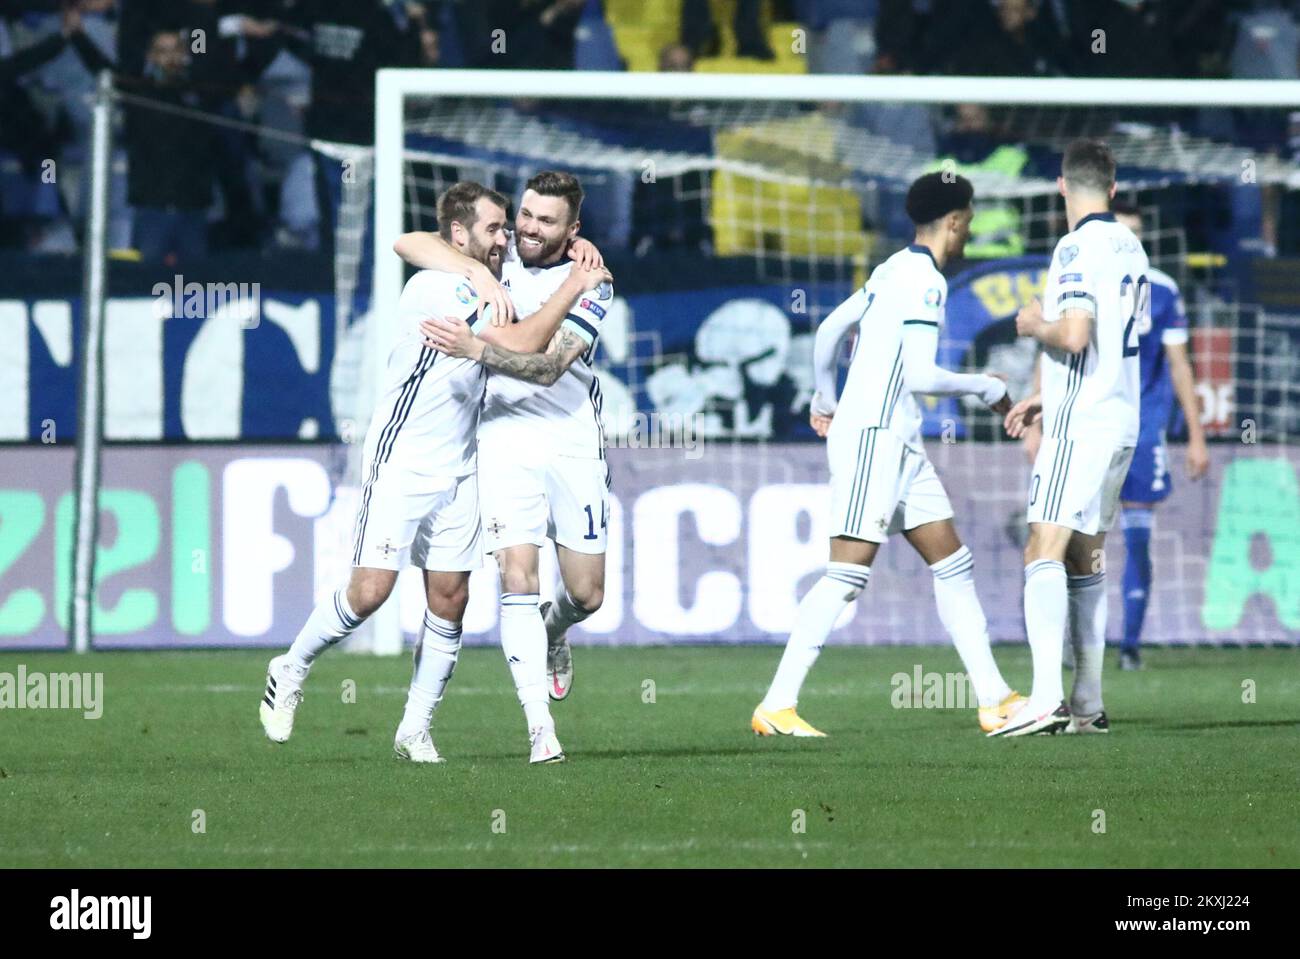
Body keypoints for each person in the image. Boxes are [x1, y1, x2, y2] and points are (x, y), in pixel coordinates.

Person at [259, 181, 609, 765]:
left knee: (451, 598)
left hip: (467, 462)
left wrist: (529, 267)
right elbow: (517, 337)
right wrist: (555, 281)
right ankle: (290, 666)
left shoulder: (499, 278)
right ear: (460, 236)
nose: (507, 237)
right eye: (497, 227)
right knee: (370, 592)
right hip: (403, 459)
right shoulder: (437, 289)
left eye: (513, 226)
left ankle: (414, 729)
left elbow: (428, 245)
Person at [751, 171, 1026, 738]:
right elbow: (923, 374)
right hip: (875, 439)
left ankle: (995, 700)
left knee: (954, 564)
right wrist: (986, 387)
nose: (969, 232)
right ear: (954, 221)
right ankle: (776, 706)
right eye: (969, 222)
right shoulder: (926, 280)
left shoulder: (889, 268)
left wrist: (825, 395)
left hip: (898, 441)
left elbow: (830, 328)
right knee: (847, 575)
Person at [394, 172, 613, 762]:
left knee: (588, 594)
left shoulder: (594, 282)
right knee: (517, 577)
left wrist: (476, 350)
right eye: (525, 215)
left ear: (573, 230)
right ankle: (540, 730)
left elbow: (546, 367)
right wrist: (472, 270)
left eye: (546, 220)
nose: (529, 228)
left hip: (571, 442)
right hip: (502, 439)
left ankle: (556, 629)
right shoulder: (499, 256)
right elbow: (410, 242)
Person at [997, 139, 1146, 737]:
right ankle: (1087, 705)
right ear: (1111, 188)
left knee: (1042, 547)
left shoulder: (1075, 246)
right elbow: (1108, 340)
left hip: (1082, 425)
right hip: (1119, 422)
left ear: (1061, 186)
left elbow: (1077, 334)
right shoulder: (1130, 245)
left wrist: (1035, 323)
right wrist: (1044, 393)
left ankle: (1044, 700)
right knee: (1086, 557)